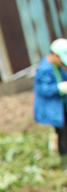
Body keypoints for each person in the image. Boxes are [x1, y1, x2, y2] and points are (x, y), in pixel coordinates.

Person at [33, 37, 67, 169]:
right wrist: (58, 87)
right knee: (62, 135)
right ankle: (65, 164)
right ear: (55, 55)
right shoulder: (44, 69)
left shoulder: (58, 68)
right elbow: (43, 90)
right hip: (55, 110)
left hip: (62, 107)